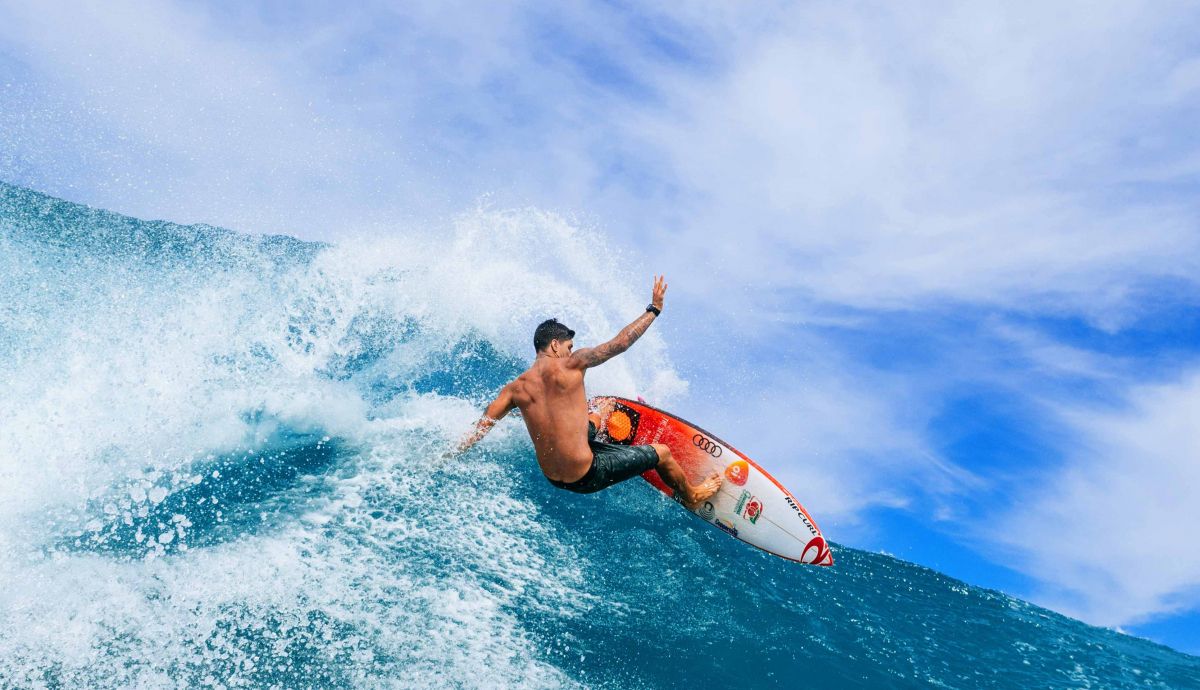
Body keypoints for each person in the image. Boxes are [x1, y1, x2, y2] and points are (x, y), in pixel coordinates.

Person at [453, 275, 722, 507]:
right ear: (556, 345)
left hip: (553, 478)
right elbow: (621, 343)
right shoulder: (572, 364)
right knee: (661, 452)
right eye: (569, 346)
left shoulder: (514, 390)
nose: (571, 351)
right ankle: (693, 494)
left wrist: (449, 455)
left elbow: (480, 428)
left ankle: (601, 418)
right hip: (587, 474)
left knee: (600, 408)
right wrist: (654, 309)